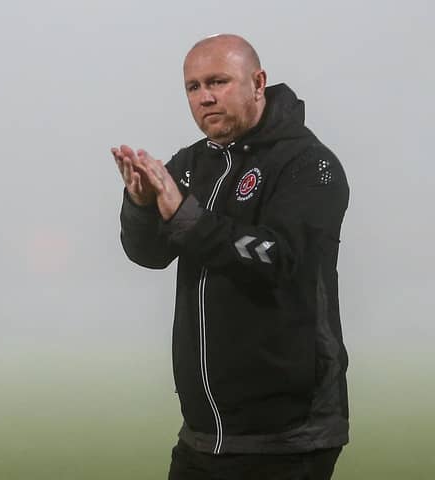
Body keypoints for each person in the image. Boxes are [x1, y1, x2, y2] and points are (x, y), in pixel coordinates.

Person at [112, 34, 349, 480]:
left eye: (217, 82)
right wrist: (142, 205)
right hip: (202, 436)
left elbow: (275, 257)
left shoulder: (308, 164)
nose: (205, 97)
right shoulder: (188, 164)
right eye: (193, 87)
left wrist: (185, 216)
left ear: (258, 82)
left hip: (289, 436)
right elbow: (149, 255)